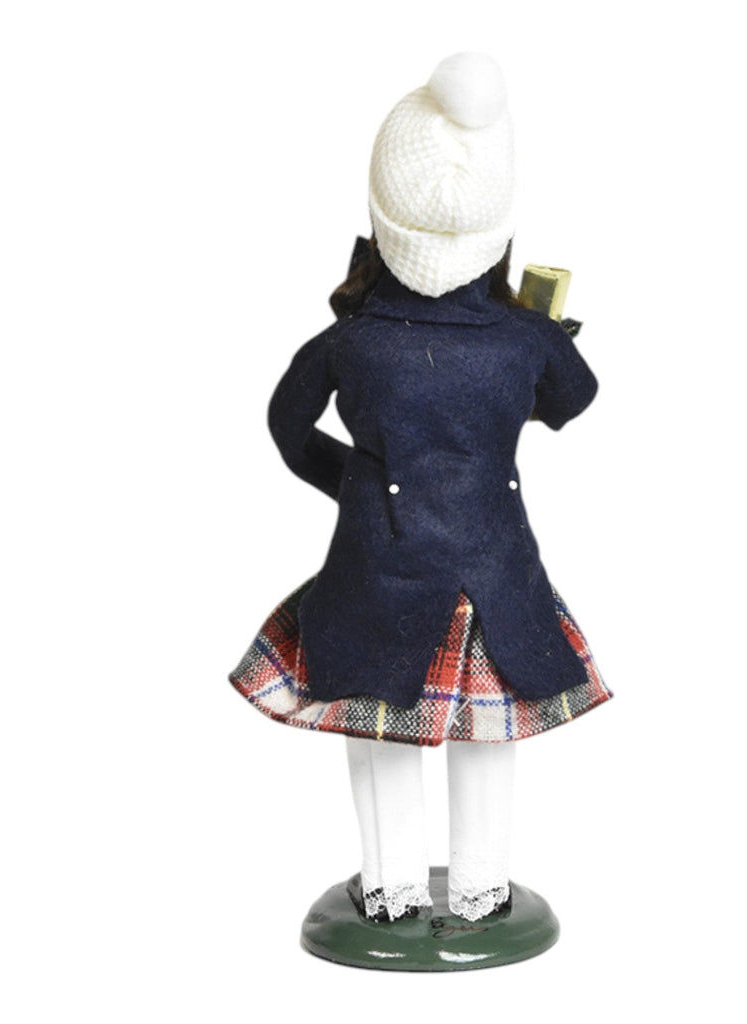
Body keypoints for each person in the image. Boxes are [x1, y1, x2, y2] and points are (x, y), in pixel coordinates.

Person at [229, 52, 611, 923]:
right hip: (493, 570)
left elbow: (285, 427)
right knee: (489, 738)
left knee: (377, 731)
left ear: (380, 216)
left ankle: (392, 886)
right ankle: (481, 886)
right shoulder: (524, 340)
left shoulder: (347, 343)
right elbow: (575, 400)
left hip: (377, 571)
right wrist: (545, 334)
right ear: (500, 224)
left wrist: (356, 485)